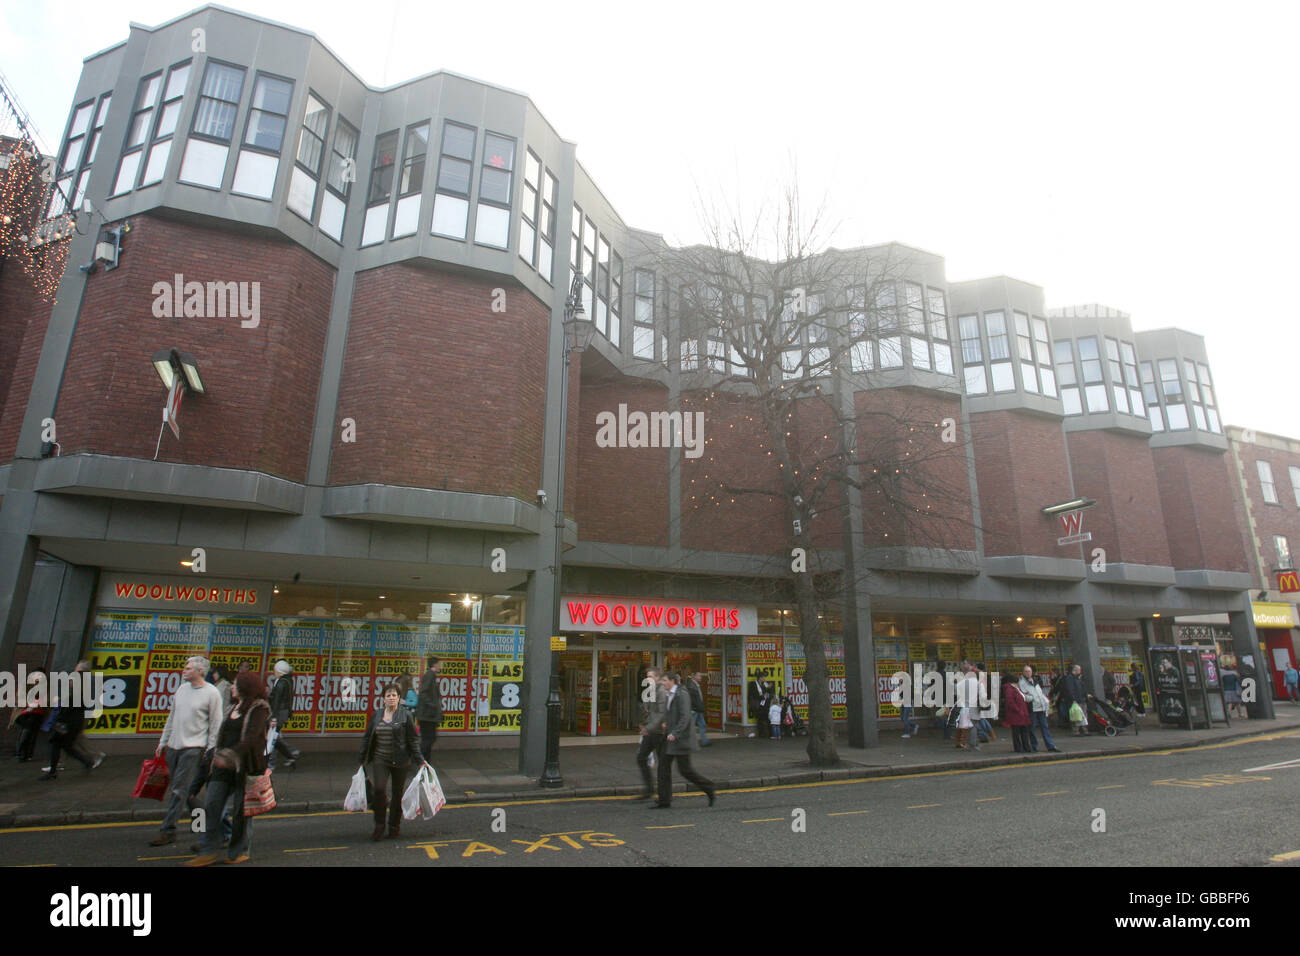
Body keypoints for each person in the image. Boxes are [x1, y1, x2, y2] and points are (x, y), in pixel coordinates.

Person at [186, 670, 270, 866]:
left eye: (235, 684)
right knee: (212, 805)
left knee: (242, 812)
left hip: (245, 767)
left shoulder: (260, 708)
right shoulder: (232, 707)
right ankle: (207, 849)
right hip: (222, 767)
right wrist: (214, 754)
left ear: (244, 687)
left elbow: (250, 738)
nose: (231, 687)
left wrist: (230, 756)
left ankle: (239, 851)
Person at [149, 656, 223, 845]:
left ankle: (168, 830)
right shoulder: (181, 690)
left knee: (179, 790)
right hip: (174, 747)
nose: (184, 670)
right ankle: (201, 822)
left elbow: (215, 724)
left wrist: (210, 749)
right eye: (186, 667)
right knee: (183, 790)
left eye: (189, 668)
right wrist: (163, 742)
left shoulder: (211, 693)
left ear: (200, 671)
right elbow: (172, 717)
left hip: (194, 748)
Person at [359, 683, 424, 840]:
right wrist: (362, 758)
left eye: (394, 695)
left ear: (399, 698)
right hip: (380, 758)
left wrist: (420, 760)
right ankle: (379, 825)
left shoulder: (405, 715)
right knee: (379, 790)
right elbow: (368, 737)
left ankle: (394, 826)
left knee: (397, 794)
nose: (391, 698)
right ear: (383, 699)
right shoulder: (377, 715)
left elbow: (413, 739)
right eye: (388, 695)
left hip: (400, 760)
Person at [652, 672, 715, 809]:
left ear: (673, 681)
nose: (662, 683)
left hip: (680, 739)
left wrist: (675, 732)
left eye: (665, 680)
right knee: (663, 768)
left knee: (685, 770)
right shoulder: (670, 694)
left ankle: (709, 787)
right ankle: (664, 800)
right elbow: (671, 714)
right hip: (669, 738)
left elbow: (685, 717)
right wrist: (665, 724)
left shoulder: (682, 694)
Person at [41, 661, 105, 780]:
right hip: (76, 719)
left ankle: (54, 770)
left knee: (58, 744)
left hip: (67, 721)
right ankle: (86, 761)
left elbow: (68, 705)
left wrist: (59, 717)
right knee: (67, 746)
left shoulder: (77, 685)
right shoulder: (88, 683)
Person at [636, 667, 667, 799]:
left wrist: (648, 728)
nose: (648, 679)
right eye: (647, 676)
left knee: (663, 764)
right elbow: (648, 711)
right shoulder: (651, 690)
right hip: (651, 731)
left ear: (658, 677)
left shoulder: (661, 691)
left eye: (651, 676)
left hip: (659, 732)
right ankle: (649, 789)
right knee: (641, 758)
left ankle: (664, 792)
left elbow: (661, 714)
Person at [267, 659, 300, 770]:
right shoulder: (288, 680)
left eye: (275, 669)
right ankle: (290, 756)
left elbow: (276, 700)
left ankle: (271, 762)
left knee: (272, 738)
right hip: (283, 712)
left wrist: (273, 717)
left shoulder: (281, 682)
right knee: (274, 737)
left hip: (279, 713)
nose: (274, 671)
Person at [9, 667, 46, 762]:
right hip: (26, 712)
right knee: (27, 731)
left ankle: (22, 754)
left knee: (28, 732)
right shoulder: (27, 685)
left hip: (35, 713)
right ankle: (22, 754)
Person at [1020, 666, 1060, 753]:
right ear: (1023, 672)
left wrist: (1046, 701)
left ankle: (1050, 745)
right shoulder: (1021, 683)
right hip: (1032, 708)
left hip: (1041, 708)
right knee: (1032, 728)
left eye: (1029, 671)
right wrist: (1031, 699)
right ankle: (1034, 746)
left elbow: (1040, 693)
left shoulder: (1035, 681)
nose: (1028, 673)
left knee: (1044, 727)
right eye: (1026, 671)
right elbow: (1023, 695)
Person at [416, 657, 443, 762]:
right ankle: (420, 759)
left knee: (429, 738)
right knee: (429, 738)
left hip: (428, 715)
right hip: (427, 715)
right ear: (434, 665)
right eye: (438, 664)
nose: (439, 666)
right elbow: (423, 693)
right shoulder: (429, 675)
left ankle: (425, 760)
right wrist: (432, 705)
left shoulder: (431, 675)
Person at [1002, 677, 1031, 752]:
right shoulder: (1010, 690)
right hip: (1016, 714)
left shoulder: (1016, 689)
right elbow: (1010, 702)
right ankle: (1019, 748)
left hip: (1021, 714)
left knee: (1023, 731)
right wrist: (1018, 710)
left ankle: (1026, 747)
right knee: (1017, 732)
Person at [684, 672, 709, 746]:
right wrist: (692, 709)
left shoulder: (695, 685)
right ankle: (686, 742)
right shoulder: (691, 686)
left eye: (701, 676)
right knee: (691, 726)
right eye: (699, 676)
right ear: (694, 677)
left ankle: (704, 741)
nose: (701, 677)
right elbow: (691, 699)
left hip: (697, 709)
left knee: (702, 725)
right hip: (694, 709)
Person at [749, 674, 772, 738]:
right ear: (760, 678)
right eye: (764, 677)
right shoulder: (753, 684)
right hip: (757, 704)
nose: (765, 679)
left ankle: (764, 733)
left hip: (764, 704)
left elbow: (767, 692)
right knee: (760, 718)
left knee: (763, 718)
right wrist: (762, 697)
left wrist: (769, 688)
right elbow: (753, 694)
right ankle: (761, 733)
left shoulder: (764, 684)